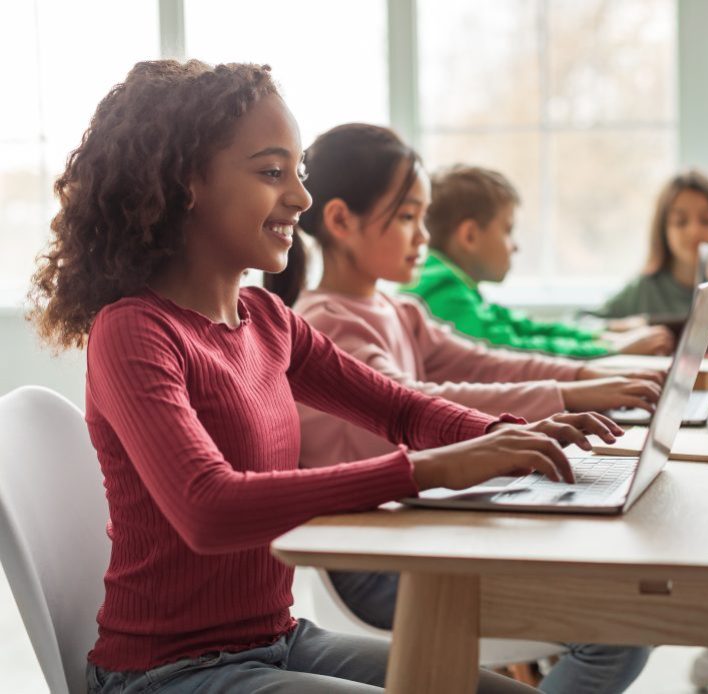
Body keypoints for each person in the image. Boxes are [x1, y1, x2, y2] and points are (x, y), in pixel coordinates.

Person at [30, 58, 618, 694]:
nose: (301, 199)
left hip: (276, 641)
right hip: (163, 674)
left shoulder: (267, 320)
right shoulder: (135, 331)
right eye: (271, 172)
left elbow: (404, 411)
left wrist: (516, 440)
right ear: (185, 183)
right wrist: (426, 469)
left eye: (299, 173)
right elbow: (209, 508)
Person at [262, 122, 655, 694]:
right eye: (406, 217)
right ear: (342, 221)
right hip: (385, 562)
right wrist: (567, 396)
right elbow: (423, 403)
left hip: (432, 528)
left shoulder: (399, 310)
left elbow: (490, 362)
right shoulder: (326, 322)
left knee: (617, 590)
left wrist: (591, 375)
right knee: (621, 626)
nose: (423, 235)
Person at [401, 164, 674, 357]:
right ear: (470, 236)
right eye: (507, 230)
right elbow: (512, 351)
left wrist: (603, 333)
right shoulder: (441, 293)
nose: (515, 246)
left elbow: (524, 327)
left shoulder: (453, 285)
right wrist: (611, 348)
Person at [593, 169, 708, 350]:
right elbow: (583, 323)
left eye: (707, 220)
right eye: (680, 222)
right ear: (663, 231)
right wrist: (627, 330)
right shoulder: (646, 286)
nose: (694, 232)